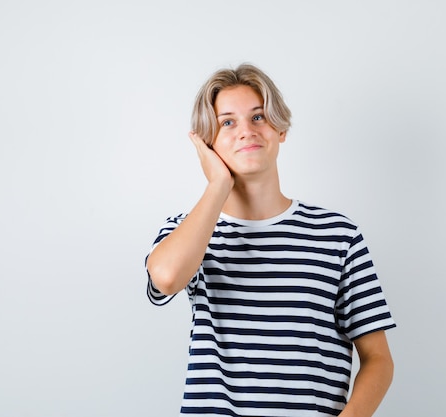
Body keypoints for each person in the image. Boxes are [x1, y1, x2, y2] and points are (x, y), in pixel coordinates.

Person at [145, 63, 396, 417]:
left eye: (258, 117)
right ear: (207, 141)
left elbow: (379, 359)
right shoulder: (189, 229)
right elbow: (166, 278)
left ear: (281, 129)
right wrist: (218, 184)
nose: (246, 131)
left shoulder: (338, 234)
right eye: (227, 122)